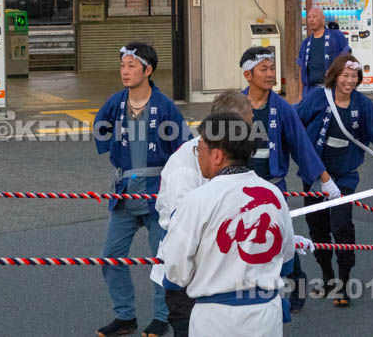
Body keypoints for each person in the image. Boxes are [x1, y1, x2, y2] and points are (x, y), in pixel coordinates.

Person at [296, 55, 373, 306]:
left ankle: (343, 282)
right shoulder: (317, 98)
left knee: (341, 225)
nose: (349, 81)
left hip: (344, 176)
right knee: (317, 228)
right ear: (335, 76)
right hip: (314, 174)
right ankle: (327, 276)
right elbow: (294, 126)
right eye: (345, 76)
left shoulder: (362, 105)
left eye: (354, 76)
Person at [159, 112, 296, 337]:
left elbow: (175, 271)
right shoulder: (274, 195)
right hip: (266, 315)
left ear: (217, 155)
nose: (197, 154)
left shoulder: (197, 200)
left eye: (199, 148)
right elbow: (287, 258)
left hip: (216, 318)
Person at [93, 43, 192, 337]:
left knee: (162, 261)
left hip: (157, 194)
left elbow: (185, 149)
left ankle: (161, 318)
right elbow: (101, 126)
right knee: (110, 257)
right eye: (122, 65)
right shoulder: (116, 102)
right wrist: (115, 148)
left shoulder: (165, 107)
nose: (125, 72)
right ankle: (125, 317)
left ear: (148, 70)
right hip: (124, 192)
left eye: (132, 66)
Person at [240, 46, 341, 313]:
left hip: (272, 186)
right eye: (264, 69)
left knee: (282, 236)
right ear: (248, 74)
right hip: (239, 186)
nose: (271, 74)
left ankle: (296, 283)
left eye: (272, 68)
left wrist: (326, 180)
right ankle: (248, 287)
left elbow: (302, 146)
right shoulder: (235, 106)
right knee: (242, 236)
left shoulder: (282, 109)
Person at [151, 91, 255, 337]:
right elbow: (180, 224)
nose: (252, 133)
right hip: (189, 276)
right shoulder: (186, 165)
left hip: (220, 270)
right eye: (247, 126)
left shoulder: (229, 159)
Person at [296, 5, 350, 99]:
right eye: (308, 17)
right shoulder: (305, 43)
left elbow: (347, 58)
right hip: (310, 91)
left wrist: (335, 70)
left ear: (323, 18)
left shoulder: (336, 35)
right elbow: (302, 69)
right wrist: (300, 94)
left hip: (332, 88)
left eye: (315, 16)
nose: (311, 20)